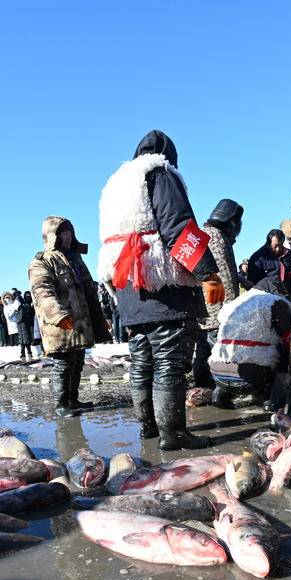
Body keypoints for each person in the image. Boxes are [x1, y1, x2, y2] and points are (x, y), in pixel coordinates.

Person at [96, 130, 217, 449]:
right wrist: (207, 272)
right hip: (161, 285)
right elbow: (179, 226)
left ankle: (148, 428)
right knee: (169, 360)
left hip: (128, 286)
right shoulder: (159, 173)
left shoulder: (115, 184)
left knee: (143, 361)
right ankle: (173, 433)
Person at [29, 216, 111, 416]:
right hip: (60, 324)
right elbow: (42, 291)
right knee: (63, 364)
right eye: (63, 233)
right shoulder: (42, 261)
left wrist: (101, 318)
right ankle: (61, 405)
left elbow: (89, 292)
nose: (68, 237)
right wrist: (57, 315)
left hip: (80, 322)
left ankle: (73, 400)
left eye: (70, 233)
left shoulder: (75, 259)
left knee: (78, 361)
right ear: (53, 236)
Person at [209, 278, 291, 409]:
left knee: (236, 348)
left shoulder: (234, 303)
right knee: (284, 350)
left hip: (218, 374)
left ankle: (220, 395)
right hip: (252, 377)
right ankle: (270, 399)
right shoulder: (274, 302)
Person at [194, 199, 244, 389]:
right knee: (217, 351)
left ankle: (202, 387)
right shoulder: (218, 238)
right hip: (217, 308)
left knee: (202, 350)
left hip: (203, 308)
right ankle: (220, 389)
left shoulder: (204, 234)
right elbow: (225, 276)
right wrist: (232, 309)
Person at [18, 291, 36, 360]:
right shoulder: (22, 306)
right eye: (27, 295)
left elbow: (22, 316)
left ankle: (27, 354)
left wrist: (18, 321)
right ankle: (25, 354)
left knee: (26, 340)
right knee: (24, 341)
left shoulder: (23, 306)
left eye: (29, 295)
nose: (28, 297)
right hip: (24, 324)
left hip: (26, 323)